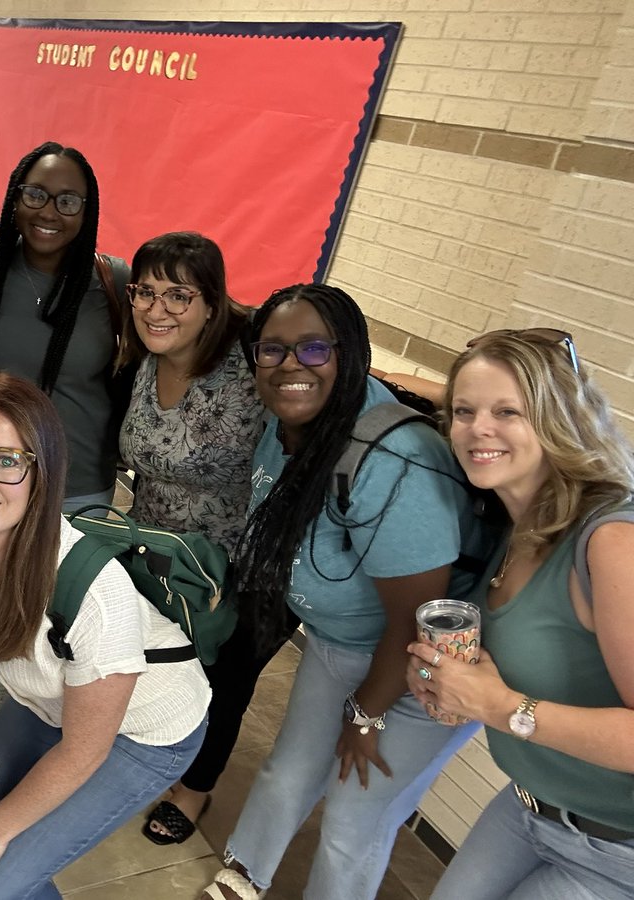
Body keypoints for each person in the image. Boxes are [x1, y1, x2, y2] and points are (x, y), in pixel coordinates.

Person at [203, 283, 494, 900]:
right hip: (342, 641)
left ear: (350, 354)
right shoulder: (287, 421)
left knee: (353, 815)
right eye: (272, 350)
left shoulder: (393, 460)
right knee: (290, 771)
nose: (290, 367)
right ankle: (245, 874)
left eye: (314, 349)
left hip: (421, 666)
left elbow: (414, 623)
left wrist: (365, 716)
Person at [0, 373, 210, 900]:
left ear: (42, 476)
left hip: (145, 731)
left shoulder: (93, 592)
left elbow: (84, 748)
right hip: (48, 703)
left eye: (7, 460)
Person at [404, 330, 634, 900]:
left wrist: (501, 708)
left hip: (615, 850)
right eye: (464, 410)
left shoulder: (610, 539)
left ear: (558, 420)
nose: (478, 428)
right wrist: (454, 685)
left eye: (509, 411)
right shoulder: (519, 523)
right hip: (529, 806)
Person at [113, 232, 271, 846]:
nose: (158, 309)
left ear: (213, 303)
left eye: (179, 295)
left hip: (235, 565)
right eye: (146, 292)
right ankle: (150, 749)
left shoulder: (251, 372)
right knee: (162, 664)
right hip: (158, 553)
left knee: (223, 685)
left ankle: (196, 788)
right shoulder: (145, 360)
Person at [0, 141, 131, 512]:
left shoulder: (112, 280)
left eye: (68, 201)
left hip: (79, 487)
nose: (49, 212)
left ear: (86, 213)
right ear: (15, 198)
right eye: (36, 195)